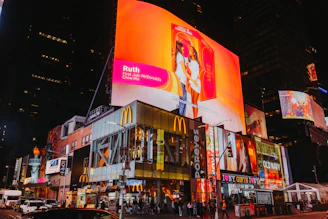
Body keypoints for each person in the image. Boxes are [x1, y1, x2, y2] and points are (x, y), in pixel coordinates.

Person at [174, 41, 190, 117]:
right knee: (183, 98)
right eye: (182, 47)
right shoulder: (179, 55)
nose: (183, 48)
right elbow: (183, 70)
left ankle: (182, 115)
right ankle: (181, 116)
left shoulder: (181, 56)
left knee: (184, 98)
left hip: (182, 80)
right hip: (180, 79)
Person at [186, 45, 201, 118]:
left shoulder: (197, 62)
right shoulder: (189, 61)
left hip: (197, 82)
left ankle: (195, 117)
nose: (189, 51)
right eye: (189, 50)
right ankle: (194, 117)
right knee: (192, 101)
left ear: (194, 53)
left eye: (191, 50)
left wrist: (196, 79)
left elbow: (199, 72)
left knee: (195, 101)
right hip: (192, 81)